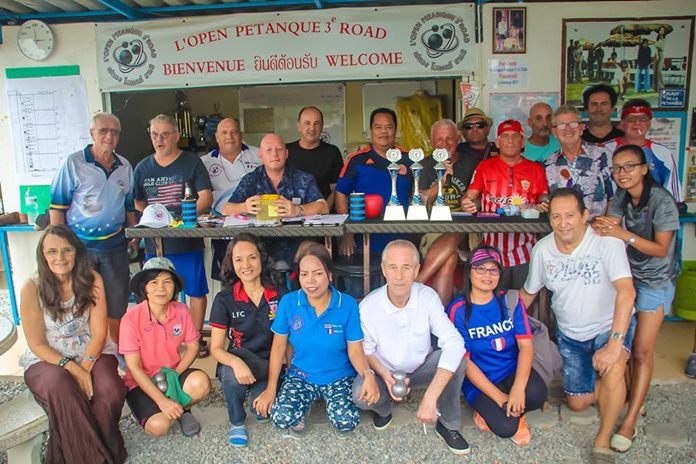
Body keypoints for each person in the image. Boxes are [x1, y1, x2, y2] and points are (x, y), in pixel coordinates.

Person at [521, 188, 636, 464]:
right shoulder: (543, 249)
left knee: (613, 365)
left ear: (585, 215)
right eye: (556, 216)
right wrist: (498, 325)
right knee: (577, 402)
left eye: (570, 215)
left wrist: (614, 344)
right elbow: (528, 294)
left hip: (609, 325)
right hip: (571, 335)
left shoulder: (606, 242)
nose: (563, 223)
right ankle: (620, 392)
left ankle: (602, 440)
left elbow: (626, 292)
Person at [591, 145, 679, 453]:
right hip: (628, 276)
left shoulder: (662, 201)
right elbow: (610, 224)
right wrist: (599, 225)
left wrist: (622, 235)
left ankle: (629, 422)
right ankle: (632, 400)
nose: (622, 173)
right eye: (617, 168)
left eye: (629, 167)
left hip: (655, 281)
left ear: (644, 169)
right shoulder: (623, 196)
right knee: (625, 346)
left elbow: (660, 249)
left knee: (642, 351)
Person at [19, 224, 127, 464]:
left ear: (77, 252)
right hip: (49, 358)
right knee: (61, 386)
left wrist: (85, 365)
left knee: (110, 389)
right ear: (43, 255)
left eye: (67, 250)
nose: (60, 258)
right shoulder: (31, 287)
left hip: (91, 350)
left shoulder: (92, 280)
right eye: (52, 252)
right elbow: (36, 343)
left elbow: (100, 332)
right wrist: (72, 368)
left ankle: (87, 450)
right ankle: (98, 457)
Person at [353, 240, 469, 455]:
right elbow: (366, 349)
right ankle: (384, 408)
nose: (399, 276)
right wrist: (384, 375)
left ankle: (449, 424)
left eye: (406, 267)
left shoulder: (427, 297)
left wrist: (430, 396)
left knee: (457, 358)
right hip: (385, 372)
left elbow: (454, 342)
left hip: (421, 368)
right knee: (360, 393)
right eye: (393, 267)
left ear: (416, 270)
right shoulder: (368, 307)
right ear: (384, 270)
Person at [253, 244, 379, 438]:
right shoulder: (289, 302)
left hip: (339, 376)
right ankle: (305, 406)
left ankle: (330, 405)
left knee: (346, 422)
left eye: (318, 273)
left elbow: (355, 351)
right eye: (304, 274)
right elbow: (278, 348)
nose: (310, 281)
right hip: (301, 375)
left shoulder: (346, 304)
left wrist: (367, 374)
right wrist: (271, 389)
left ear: (329, 275)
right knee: (281, 418)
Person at [447, 245, 548, 446]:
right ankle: (487, 411)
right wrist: (501, 398)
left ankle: (513, 406)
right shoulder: (457, 310)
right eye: (480, 269)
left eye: (493, 270)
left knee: (537, 395)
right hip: (479, 379)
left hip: (510, 370)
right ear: (469, 272)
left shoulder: (510, 300)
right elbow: (464, 361)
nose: (487, 275)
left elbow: (526, 346)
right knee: (505, 427)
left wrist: (519, 389)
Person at [50, 112, 135, 346]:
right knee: (81, 300)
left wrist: (134, 236)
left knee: (117, 301)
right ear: (91, 134)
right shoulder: (74, 163)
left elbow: (128, 206)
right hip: (80, 247)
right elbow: (57, 208)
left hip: (115, 245)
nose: (109, 136)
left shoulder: (125, 166)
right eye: (103, 131)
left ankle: (117, 351)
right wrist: (60, 247)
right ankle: (84, 349)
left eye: (115, 132)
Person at [133, 113, 213, 356]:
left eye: (165, 134)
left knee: (195, 292)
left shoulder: (192, 163)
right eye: (155, 134)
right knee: (157, 292)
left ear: (176, 136)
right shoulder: (142, 167)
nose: (160, 139)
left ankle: (194, 340)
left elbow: (206, 199)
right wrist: (153, 217)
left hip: (186, 241)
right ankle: (162, 340)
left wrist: (177, 219)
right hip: (155, 245)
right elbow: (137, 201)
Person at [120, 256, 211, 437]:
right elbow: (134, 368)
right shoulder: (131, 319)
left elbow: (193, 347)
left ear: (174, 288)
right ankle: (164, 408)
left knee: (201, 383)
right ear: (144, 288)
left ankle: (179, 410)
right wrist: (161, 400)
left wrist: (174, 375)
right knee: (159, 426)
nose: (161, 288)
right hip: (141, 380)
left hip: (171, 373)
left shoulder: (182, 311)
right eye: (153, 282)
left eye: (167, 282)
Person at [209, 234, 284, 447]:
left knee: (261, 410)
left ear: (261, 258)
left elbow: (286, 344)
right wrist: (235, 362)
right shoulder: (224, 299)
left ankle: (260, 396)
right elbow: (215, 348)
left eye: (252, 258)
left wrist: (272, 386)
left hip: (272, 363)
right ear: (231, 264)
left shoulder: (279, 294)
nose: (246, 265)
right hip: (241, 361)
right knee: (231, 375)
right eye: (238, 259)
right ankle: (237, 421)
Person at [461, 119, 549, 291]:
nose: (510, 140)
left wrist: (545, 203)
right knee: (492, 300)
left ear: (522, 142)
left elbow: (543, 196)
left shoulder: (535, 169)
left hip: (525, 250)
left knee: (523, 303)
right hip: (492, 250)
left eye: (515, 136)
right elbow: (470, 195)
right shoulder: (485, 167)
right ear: (498, 142)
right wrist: (467, 203)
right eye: (505, 136)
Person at [223, 132, 329, 266]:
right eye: (268, 150)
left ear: (286, 154)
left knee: (313, 252)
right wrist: (244, 207)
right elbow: (226, 209)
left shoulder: (303, 178)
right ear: (260, 155)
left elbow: (323, 207)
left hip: (297, 241)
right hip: (260, 244)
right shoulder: (251, 180)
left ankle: (302, 287)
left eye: (279, 149)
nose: (274, 154)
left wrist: (297, 210)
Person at [417, 118, 482, 304]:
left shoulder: (472, 162)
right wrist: (441, 182)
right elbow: (419, 202)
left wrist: (474, 204)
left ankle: (416, 283)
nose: (445, 144)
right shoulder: (423, 165)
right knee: (450, 258)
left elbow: (481, 198)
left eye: (450, 139)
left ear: (458, 139)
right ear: (431, 142)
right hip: (434, 230)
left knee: (458, 227)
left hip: (468, 230)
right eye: (439, 140)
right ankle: (440, 318)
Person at [335, 108, 412, 256]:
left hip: (401, 235)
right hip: (364, 237)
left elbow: (419, 194)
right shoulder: (357, 160)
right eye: (378, 127)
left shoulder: (409, 159)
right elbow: (341, 193)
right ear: (371, 131)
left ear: (396, 130)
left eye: (389, 127)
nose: (384, 132)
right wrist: (347, 232)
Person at [200, 118, 261, 280]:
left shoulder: (259, 154)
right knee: (228, 278)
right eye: (224, 133)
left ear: (240, 135)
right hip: (223, 230)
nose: (229, 137)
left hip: (256, 227)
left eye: (234, 132)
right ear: (217, 137)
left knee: (256, 275)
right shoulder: (204, 162)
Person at [605, 99, 682, 202]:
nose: (637, 123)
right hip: (613, 213)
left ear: (650, 123)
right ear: (623, 122)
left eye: (643, 119)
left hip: (653, 214)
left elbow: (673, 196)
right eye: (631, 119)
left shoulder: (662, 152)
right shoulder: (606, 150)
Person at [545, 105, 613, 219]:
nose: (568, 129)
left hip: (598, 230)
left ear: (582, 128)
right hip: (564, 230)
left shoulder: (602, 155)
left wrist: (608, 227)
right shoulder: (549, 164)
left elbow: (615, 197)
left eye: (573, 124)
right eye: (562, 125)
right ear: (554, 132)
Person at [286, 106, 344, 211]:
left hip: (323, 216)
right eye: (307, 123)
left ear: (322, 126)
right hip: (290, 216)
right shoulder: (286, 151)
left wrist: (325, 208)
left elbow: (337, 187)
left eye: (317, 123)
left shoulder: (332, 152)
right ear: (298, 126)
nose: (312, 128)